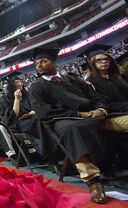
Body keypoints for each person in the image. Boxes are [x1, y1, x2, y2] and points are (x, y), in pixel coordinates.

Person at [29, 47, 115, 204]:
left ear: (54, 63)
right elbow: (43, 111)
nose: (39, 65)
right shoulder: (37, 86)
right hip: (65, 120)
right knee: (71, 129)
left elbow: (96, 97)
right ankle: (93, 180)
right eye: (36, 63)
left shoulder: (73, 79)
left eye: (43, 61)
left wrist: (101, 110)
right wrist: (78, 115)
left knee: (119, 121)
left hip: (93, 116)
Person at [0, 71, 55, 160]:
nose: (20, 84)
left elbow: (36, 106)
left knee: (44, 117)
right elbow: (12, 118)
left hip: (32, 118)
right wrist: (17, 99)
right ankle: (48, 155)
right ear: (11, 85)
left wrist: (34, 111)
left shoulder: (27, 94)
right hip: (19, 123)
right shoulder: (4, 99)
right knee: (37, 121)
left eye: (20, 81)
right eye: (17, 82)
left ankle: (56, 148)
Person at [83, 44, 128, 113]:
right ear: (92, 63)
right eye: (99, 60)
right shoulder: (90, 82)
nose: (104, 61)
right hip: (116, 113)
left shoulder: (118, 75)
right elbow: (103, 103)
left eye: (106, 59)